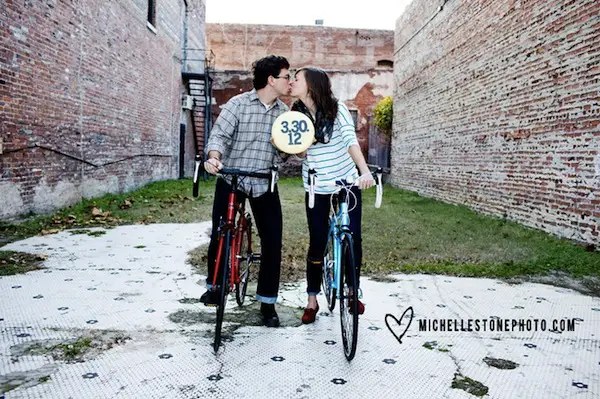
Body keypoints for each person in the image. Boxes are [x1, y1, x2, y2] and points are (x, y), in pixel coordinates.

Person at [201, 55, 292, 327]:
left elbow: (287, 155)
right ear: (271, 79)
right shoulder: (237, 105)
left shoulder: (284, 114)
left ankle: (267, 302)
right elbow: (218, 137)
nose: (289, 81)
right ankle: (215, 288)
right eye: (286, 76)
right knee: (220, 231)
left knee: (273, 240)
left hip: (264, 182)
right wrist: (214, 158)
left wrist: (287, 148)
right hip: (233, 179)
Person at [289, 67, 375, 324]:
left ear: (312, 85)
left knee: (354, 236)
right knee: (317, 242)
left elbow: (350, 141)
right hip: (317, 184)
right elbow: (300, 154)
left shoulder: (338, 111)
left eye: (297, 78)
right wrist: (298, 147)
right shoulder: (295, 114)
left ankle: (351, 291)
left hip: (346, 181)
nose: (292, 82)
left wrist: (364, 171)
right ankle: (312, 299)